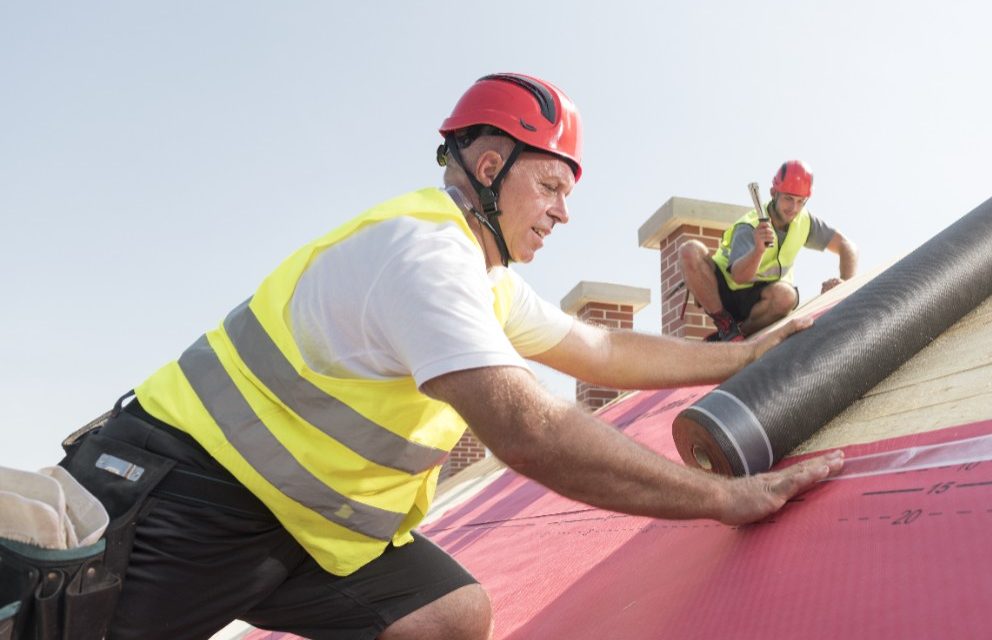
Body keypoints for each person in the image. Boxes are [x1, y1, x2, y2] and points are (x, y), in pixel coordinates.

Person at [68, 73, 843, 640]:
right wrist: (723, 501)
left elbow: (600, 345)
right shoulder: (423, 255)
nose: (563, 213)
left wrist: (740, 360)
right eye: (549, 185)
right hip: (184, 502)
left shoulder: (485, 279)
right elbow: (532, 432)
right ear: (487, 167)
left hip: (304, 535)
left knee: (448, 616)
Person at [678, 160, 859, 341]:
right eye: (788, 198)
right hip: (725, 292)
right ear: (774, 193)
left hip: (761, 300)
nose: (794, 208)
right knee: (689, 250)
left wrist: (845, 285)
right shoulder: (749, 226)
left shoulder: (805, 221)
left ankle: (737, 335)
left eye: (800, 201)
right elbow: (739, 277)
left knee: (786, 297)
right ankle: (725, 326)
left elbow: (847, 246)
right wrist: (758, 250)